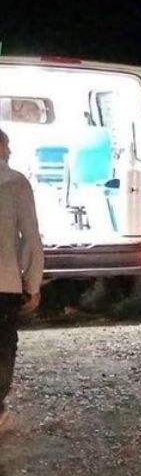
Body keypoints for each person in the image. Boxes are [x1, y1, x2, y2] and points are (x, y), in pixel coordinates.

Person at [0, 127, 44, 430]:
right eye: (7, 146)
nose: (11, 151)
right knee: (3, 345)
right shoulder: (15, 183)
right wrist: (33, 284)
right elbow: (30, 238)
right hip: (5, 283)